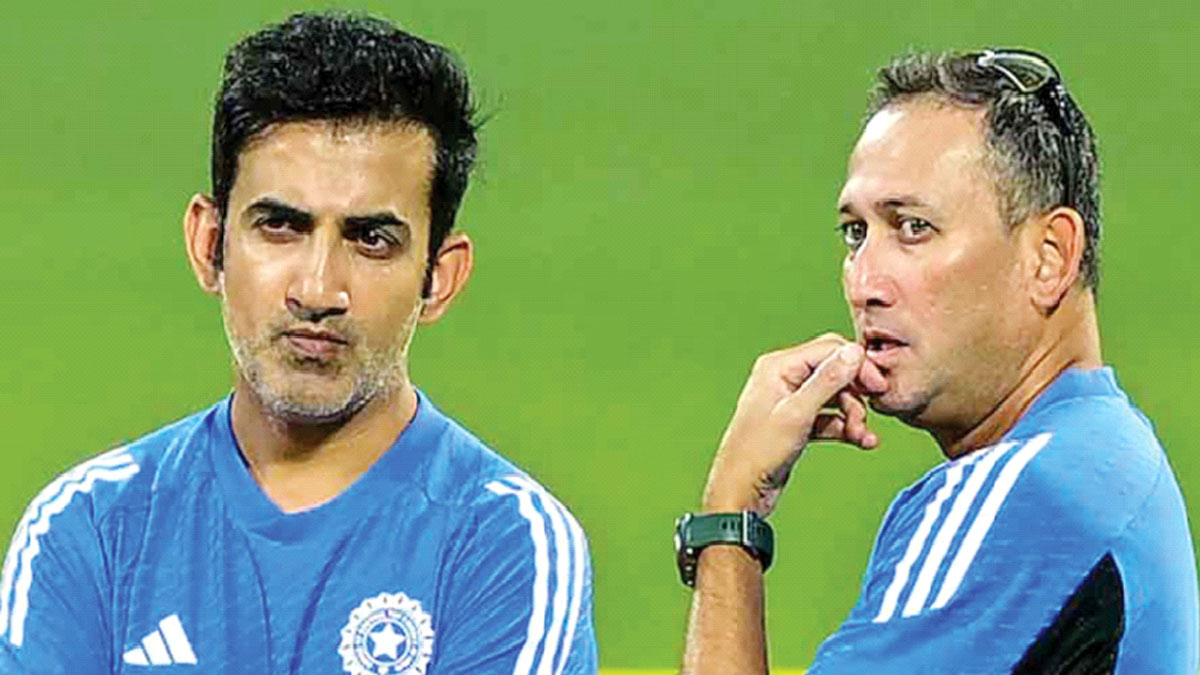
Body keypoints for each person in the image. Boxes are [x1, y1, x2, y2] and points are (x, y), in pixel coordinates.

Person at [0, 11, 596, 675]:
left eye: (371, 239)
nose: (317, 289)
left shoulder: (506, 545)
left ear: (439, 278)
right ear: (209, 244)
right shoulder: (91, 528)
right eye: (281, 226)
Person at [677, 48, 1198, 673]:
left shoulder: (1027, 499)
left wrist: (730, 517)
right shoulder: (1108, 455)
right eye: (855, 233)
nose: (864, 282)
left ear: (1049, 257)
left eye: (913, 227)